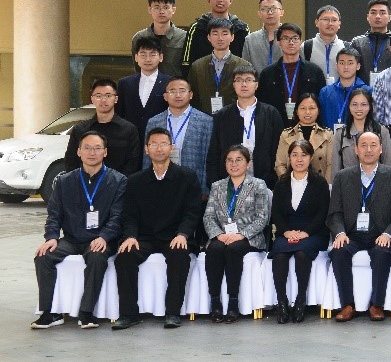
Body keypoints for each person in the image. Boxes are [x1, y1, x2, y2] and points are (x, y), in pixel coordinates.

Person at [31, 132, 128, 330]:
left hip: (101, 239)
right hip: (72, 239)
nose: (92, 152)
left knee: (97, 257)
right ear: (79, 152)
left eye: (97, 148)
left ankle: (86, 312)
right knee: (43, 256)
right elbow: (54, 214)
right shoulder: (64, 181)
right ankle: (50, 312)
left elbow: (118, 216)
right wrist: (51, 237)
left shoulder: (118, 180)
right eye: (87, 148)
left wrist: (104, 237)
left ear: (105, 152)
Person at [111, 128, 202, 330]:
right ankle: (128, 314)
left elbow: (193, 212)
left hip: (174, 236)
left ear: (172, 147)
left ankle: (173, 312)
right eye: (154, 144)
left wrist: (183, 234)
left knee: (179, 255)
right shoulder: (135, 181)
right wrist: (130, 236)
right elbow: (129, 215)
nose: (159, 149)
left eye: (163, 144)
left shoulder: (187, 177)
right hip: (144, 237)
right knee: (124, 256)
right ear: (146, 149)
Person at [327, 131, 391, 322]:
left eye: (373, 145)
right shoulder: (342, 177)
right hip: (351, 234)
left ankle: (377, 304)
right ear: (356, 150)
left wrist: (388, 234)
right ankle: (347, 305)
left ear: (381, 149)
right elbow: (335, 213)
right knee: (339, 251)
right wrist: (339, 233)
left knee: (382, 252)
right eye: (363, 145)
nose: (368, 150)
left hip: (380, 233)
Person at [203, 145, 270, 323]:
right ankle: (215, 302)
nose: (234, 164)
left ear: (248, 164)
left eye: (239, 160)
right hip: (222, 235)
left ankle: (233, 303)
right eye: (230, 160)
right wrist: (218, 234)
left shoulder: (258, 185)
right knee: (214, 249)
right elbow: (208, 216)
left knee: (233, 250)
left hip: (249, 237)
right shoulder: (217, 186)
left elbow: (262, 218)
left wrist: (241, 234)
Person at [269, 139, 330, 324]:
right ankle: (282, 302)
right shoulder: (281, 184)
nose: (299, 159)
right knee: (279, 254)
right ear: (289, 158)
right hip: (287, 231)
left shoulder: (320, 183)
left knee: (302, 253)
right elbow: (276, 213)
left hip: (313, 232)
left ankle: (300, 300)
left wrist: (306, 233)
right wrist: (286, 232)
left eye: (304, 155)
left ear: (311, 157)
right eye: (294, 155)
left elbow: (322, 214)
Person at [207, 69, 284, 190]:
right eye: (239, 80)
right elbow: (214, 153)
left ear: (256, 84)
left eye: (248, 80)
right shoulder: (222, 115)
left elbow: (278, 151)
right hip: (229, 184)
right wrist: (215, 183)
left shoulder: (271, 113)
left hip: (265, 182)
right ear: (233, 85)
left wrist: (274, 182)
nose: (244, 84)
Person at [143, 77, 214, 194]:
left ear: (190, 95)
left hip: (193, 184)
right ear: (165, 96)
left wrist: (205, 189)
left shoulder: (206, 121)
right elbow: (147, 156)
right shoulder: (154, 122)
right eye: (172, 91)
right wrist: (146, 183)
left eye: (182, 91)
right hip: (160, 182)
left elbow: (208, 157)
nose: (178, 95)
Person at [64, 79, 142, 174]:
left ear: (116, 99)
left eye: (108, 96)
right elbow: (71, 162)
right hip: (86, 182)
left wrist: (118, 181)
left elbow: (133, 163)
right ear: (92, 99)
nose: (103, 100)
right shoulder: (80, 130)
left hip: (119, 182)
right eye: (98, 96)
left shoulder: (129, 130)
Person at [258, 23, 326, 122]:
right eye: (286, 38)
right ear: (279, 42)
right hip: (276, 125)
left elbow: (321, 103)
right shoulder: (268, 73)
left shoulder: (314, 71)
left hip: (306, 125)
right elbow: (262, 105)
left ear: (301, 41)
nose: (291, 42)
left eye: (295, 38)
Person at [180, 0, 249, 77]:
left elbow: (247, 61)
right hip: (203, 80)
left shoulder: (242, 28)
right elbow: (186, 62)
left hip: (234, 81)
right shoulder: (196, 27)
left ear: (231, 0)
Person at [186, 17, 254, 115]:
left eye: (225, 34)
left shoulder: (244, 65)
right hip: (204, 117)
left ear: (232, 37)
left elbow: (248, 96)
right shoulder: (197, 66)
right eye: (215, 34)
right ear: (209, 37)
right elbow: (193, 96)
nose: (220, 38)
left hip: (234, 117)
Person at [273, 93, 335, 184]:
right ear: (296, 111)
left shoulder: (327, 134)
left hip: (320, 186)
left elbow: (331, 165)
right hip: (292, 185)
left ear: (318, 111)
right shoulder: (286, 135)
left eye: (312, 108)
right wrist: (289, 184)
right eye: (303, 108)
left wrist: (324, 186)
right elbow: (280, 165)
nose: (307, 112)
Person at [116, 37, 172, 137]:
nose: (148, 59)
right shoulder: (125, 83)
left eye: (152, 55)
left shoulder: (170, 82)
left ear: (161, 57)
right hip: (131, 138)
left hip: (160, 138)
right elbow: (119, 114)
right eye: (143, 55)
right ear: (136, 57)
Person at [332, 88, 391, 173]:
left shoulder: (382, 131)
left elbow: (388, 166)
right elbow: (335, 168)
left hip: (377, 180)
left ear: (370, 107)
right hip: (348, 180)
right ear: (349, 106)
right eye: (354, 104)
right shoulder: (340, 134)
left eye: (363, 104)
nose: (359, 108)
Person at [132, 0, 187, 77]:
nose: (161, 11)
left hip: (174, 84)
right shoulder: (139, 37)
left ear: (173, 10)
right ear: (150, 10)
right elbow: (137, 68)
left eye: (166, 7)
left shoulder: (184, 37)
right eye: (157, 7)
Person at [317, 47, 369, 130]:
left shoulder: (367, 91)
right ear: (336, 66)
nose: (346, 67)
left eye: (350, 63)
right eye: (342, 63)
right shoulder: (325, 92)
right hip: (330, 137)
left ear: (358, 66)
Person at [348, 0, 391, 81]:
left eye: (382, 13)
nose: (377, 16)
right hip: (362, 88)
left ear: (389, 17)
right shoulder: (357, 43)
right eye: (373, 13)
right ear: (368, 17)